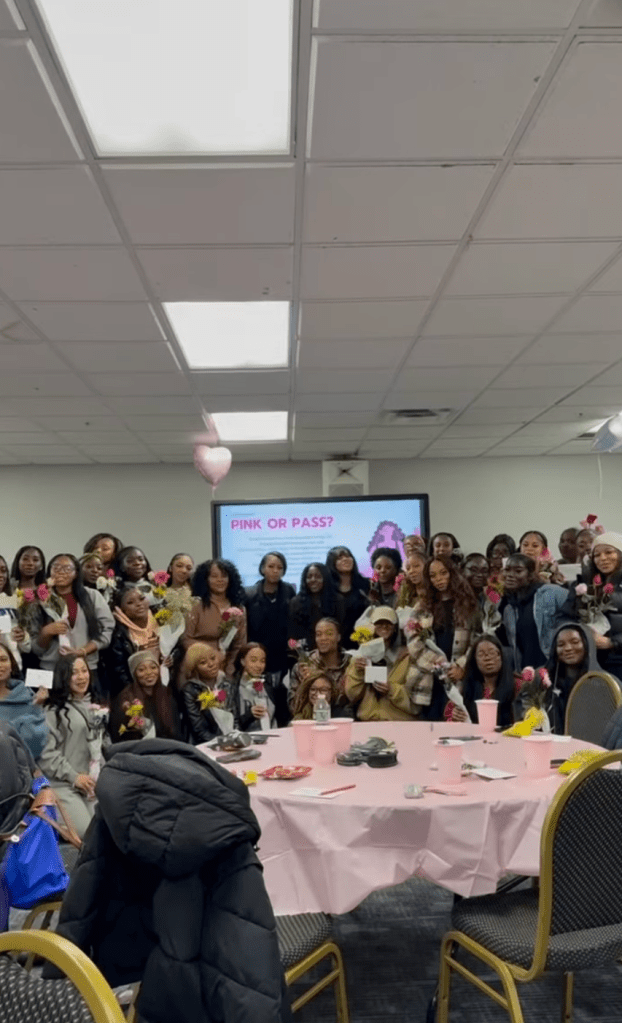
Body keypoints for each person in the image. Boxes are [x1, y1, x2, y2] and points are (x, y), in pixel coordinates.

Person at [50, 741, 291, 1023]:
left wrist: (64, 960)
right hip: (199, 970)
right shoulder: (227, 833)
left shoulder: (118, 793)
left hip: (137, 957)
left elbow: (87, 881)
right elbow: (252, 978)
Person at [31, 554, 114, 702]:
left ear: (76, 573)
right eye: (55, 568)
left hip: (86, 669)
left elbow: (106, 632)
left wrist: (82, 651)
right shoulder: (38, 601)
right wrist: (46, 632)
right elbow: (35, 648)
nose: (61, 572)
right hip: (50, 670)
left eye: (67, 568)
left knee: (89, 715)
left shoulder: (92, 596)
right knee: (48, 716)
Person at [39, 654, 104, 839]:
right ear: (63, 676)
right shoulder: (52, 711)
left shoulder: (93, 706)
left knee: (105, 826)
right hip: (64, 784)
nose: (82, 677)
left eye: (84, 671)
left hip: (90, 784)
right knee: (87, 831)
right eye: (74, 673)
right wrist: (74, 777)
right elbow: (46, 754)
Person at [498, 554, 568, 672]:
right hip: (528, 675)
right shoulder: (509, 608)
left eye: (518, 571)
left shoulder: (552, 593)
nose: (510, 575)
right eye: (507, 570)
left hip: (556, 670)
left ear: (530, 575)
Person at [420, 555, 482, 683]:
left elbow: (477, 639)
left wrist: (461, 665)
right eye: (433, 576)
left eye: (443, 573)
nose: (439, 579)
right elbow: (414, 640)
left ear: (452, 574)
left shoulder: (468, 603)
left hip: (459, 674)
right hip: (431, 675)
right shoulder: (424, 606)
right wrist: (434, 662)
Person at [184, 559, 247, 677]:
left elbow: (239, 646)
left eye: (224, 576)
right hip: (198, 670)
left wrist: (229, 673)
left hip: (227, 669)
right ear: (205, 580)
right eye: (214, 576)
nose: (220, 580)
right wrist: (211, 655)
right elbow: (186, 639)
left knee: (223, 695)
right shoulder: (196, 605)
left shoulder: (239, 608)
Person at [571, 532, 622, 677]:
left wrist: (613, 642)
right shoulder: (585, 584)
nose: (602, 558)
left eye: (609, 552)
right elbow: (567, 615)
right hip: (591, 661)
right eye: (597, 555)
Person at [544, 623, 608, 734]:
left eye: (575, 642)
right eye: (561, 644)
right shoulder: (546, 681)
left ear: (587, 644)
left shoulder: (605, 683)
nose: (568, 648)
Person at [109, 649, 180, 743]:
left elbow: (177, 730)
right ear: (134, 674)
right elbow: (119, 737)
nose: (149, 673)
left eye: (153, 667)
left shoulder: (166, 692)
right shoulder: (125, 699)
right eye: (141, 670)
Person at [245, 552, 295, 685]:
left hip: (282, 653)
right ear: (262, 569)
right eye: (271, 566)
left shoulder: (289, 591)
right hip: (258, 652)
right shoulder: (249, 594)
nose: (275, 571)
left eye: (280, 568)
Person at [446, 635, 517, 727]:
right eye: (481, 654)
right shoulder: (466, 686)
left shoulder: (517, 685)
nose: (487, 658)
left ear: (501, 656)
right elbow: (449, 710)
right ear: (475, 660)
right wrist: (455, 715)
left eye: (492, 653)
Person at [110, 584, 163, 698]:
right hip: (136, 690)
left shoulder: (161, 618)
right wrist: (134, 693)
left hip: (164, 683)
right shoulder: (119, 634)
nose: (139, 604)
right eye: (130, 603)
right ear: (121, 609)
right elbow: (120, 670)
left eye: (142, 598)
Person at [288, 617, 350, 711]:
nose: (323, 638)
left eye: (329, 634)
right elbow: (293, 707)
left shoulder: (350, 665)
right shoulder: (303, 666)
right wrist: (305, 685)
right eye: (319, 634)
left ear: (338, 637)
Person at [0, 639, 47, 759]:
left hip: (28, 769)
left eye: (3, 660)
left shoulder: (25, 695)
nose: (0, 665)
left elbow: (39, 743)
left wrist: (36, 707)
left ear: (12, 665)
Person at [179, 642, 234, 744]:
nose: (211, 664)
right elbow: (199, 729)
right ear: (194, 668)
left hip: (231, 740)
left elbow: (235, 716)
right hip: (206, 744)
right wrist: (223, 743)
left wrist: (237, 737)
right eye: (203, 663)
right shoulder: (190, 690)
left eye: (213, 658)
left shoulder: (225, 684)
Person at [230, 642, 289, 731]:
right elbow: (229, 724)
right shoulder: (232, 688)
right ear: (242, 661)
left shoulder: (272, 684)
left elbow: (283, 715)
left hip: (272, 736)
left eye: (262, 661)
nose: (258, 665)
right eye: (253, 660)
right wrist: (249, 714)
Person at [344, 648, 416, 721]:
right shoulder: (361, 653)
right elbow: (351, 695)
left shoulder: (413, 655)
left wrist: (392, 690)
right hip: (368, 723)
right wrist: (358, 673)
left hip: (400, 725)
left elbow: (418, 702)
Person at [325, 545, 370, 642]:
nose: (345, 559)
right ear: (332, 564)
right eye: (340, 558)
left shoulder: (365, 585)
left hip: (363, 641)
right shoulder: (327, 589)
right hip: (335, 643)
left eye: (348, 556)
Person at [288, 563, 336, 650]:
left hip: (332, 653)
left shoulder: (337, 600)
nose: (313, 580)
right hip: (304, 654)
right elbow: (292, 640)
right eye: (309, 577)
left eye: (318, 576)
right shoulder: (295, 603)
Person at [0, 553, 31, 670]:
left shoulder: (12, 601)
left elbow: (26, 648)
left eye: (3, 570)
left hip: (13, 668)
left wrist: (23, 637)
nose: (1, 575)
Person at [463, 552, 501, 632]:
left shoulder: (493, 596)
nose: (479, 574)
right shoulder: (456, 596)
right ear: (462, 570)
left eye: (484, 571)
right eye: (473, 570)